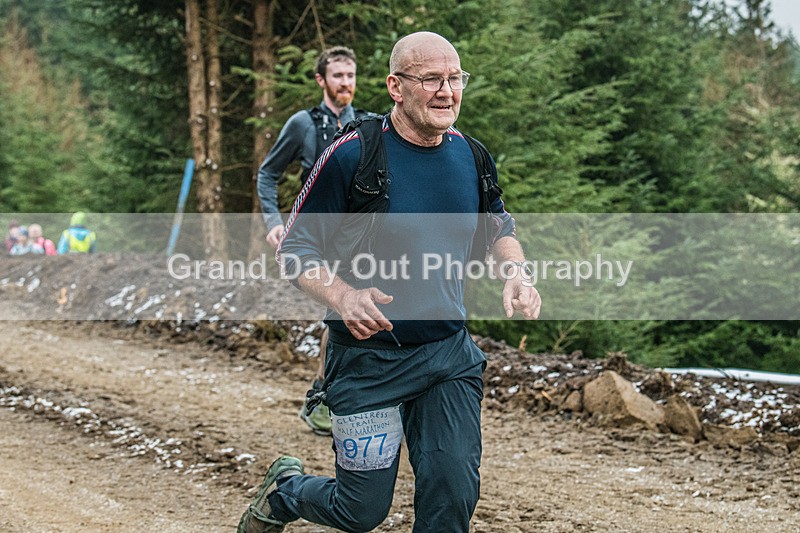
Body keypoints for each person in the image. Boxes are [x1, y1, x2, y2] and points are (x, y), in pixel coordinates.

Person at [238, 32, 542, 533]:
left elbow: (498, 227)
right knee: (361, 510)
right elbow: (295, 250)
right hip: (368, 359)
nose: (447, 92)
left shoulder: (471, 155)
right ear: (395, 87)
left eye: (455, 78)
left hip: (446, 354)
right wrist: (343, 295)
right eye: (431, 80)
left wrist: (515, 271)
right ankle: (286, 493)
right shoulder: (351, 156)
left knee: (452, 493)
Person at [257, 45, 371, 436]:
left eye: (351, 76)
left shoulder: (366, 124)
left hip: (357, 234)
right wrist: (274, 223)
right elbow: (267, 174)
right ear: (322, 80)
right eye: (338, 76)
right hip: (317, 235)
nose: (346, 84)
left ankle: (343, 396)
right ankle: (322, 397)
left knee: (356, 307)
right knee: (339, 309)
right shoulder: (302, 124)